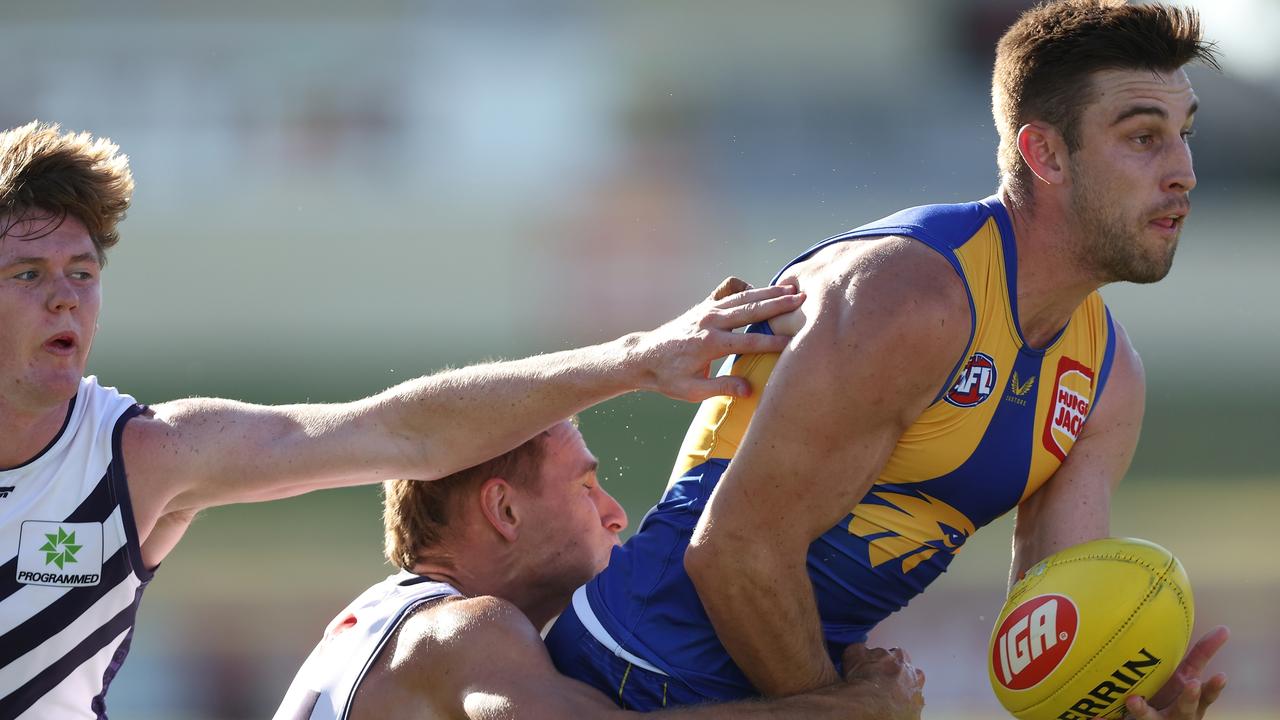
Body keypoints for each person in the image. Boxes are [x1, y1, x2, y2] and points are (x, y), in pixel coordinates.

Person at [545, 2, 1230, 719]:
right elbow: (736, 552)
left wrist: (1112, 701)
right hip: (631, 677)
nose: (1183, 171)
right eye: (1144, 138)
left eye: (1183, 136)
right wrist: (844, 708)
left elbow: (1055, 638)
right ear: (1046, 154)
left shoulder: (1109, 380)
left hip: (799, 694)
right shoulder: (912, 294)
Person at [0, 120, 805, 719]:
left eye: (83, 271)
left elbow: (402, 432)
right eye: (29, 273)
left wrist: (637, 357)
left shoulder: (139, 456)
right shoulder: (451, 633)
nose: (66, 295)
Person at [275, 420, 926, 720]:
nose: (616, 514)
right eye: (587, 487)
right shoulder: (464, 633)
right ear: (504, 508)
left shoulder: (376, 625)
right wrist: (849, 707)